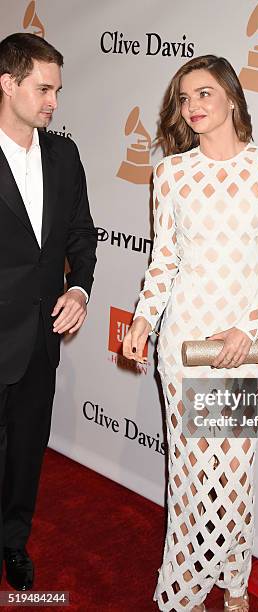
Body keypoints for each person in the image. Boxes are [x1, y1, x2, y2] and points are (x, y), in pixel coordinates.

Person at [123, 54, 258, 611]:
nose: (192, 107)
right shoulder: (171, 173)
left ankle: (235, 585)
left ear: (231, 98)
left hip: (244, 345)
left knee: (235, 474)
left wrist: (248, 327)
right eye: (183, 98)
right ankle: (190, 590)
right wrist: (145, 320)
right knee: (193, 476)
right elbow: (163, 262)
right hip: (184, 344)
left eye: (203, 94)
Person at [0, 33, 97, 590]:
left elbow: (81, 233)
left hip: (42, 338)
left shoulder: (65, 155)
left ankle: (14, 542)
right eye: (42, 89)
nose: (53, 102)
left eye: (57, 90)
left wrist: (80, 289)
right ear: (8, 83)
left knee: (28, 452)